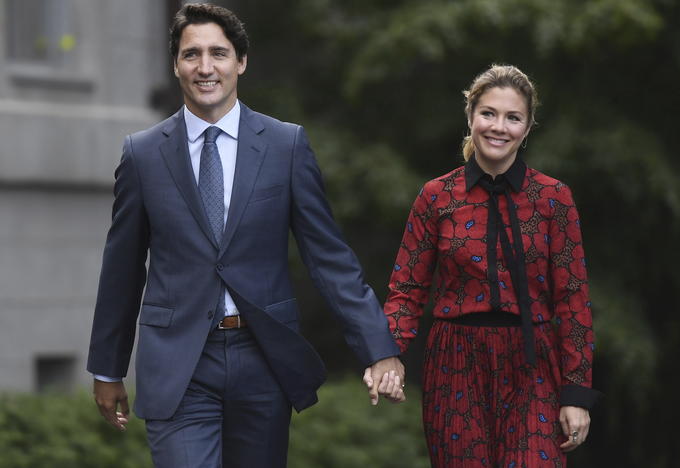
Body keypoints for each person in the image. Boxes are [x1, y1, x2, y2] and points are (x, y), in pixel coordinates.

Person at [87, 3, 403, 467]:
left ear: (241, 61)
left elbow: (329, 259)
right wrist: (108, 368)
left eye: (219, 52)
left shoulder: (285, 145)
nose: (206, 67)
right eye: (192, 54)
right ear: (176, 64)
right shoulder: (142, 154)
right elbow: (122, 269)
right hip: (179, 365)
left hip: (263, 359)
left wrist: (378, 349)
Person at [378, 64, 600, 467]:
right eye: (489, 114)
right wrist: (385, 353)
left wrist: (576, 394)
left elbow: (573, 302)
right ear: (471, 118)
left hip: (533, 365)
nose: (499, 127)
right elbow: (406, 291)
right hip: (455, 364)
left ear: (528, 127)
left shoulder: (553, 199)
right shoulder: (436, 196)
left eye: (513, 117)